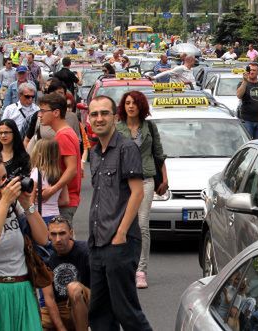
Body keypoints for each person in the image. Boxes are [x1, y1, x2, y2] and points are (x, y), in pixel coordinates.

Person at [87, 95, 152, 330]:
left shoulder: (127, 148)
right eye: (94, 114)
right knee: (99, 314)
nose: (99, 118)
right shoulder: (94, 153)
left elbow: (137, 193)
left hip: (119, 243)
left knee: (126, 312)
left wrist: (121, 233)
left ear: (115, 117)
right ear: (89, 118)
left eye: (104, 113)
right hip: (97, 242)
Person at [0, 147, 48, 331]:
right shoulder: (6, 203)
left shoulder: (13, 204)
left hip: (21, 289)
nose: (4, 184)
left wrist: (27, 206)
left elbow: (43, 238)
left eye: (5, 177)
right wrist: (4, 202)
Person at [116, 91, 168, 289]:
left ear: (141, 106)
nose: (131, 106)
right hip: (123, 182)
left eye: (135, 103)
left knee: (142, 224)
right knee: (123, 223)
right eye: (127, 102)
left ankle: (140, 270)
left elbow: (159, 154)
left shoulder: (150, 127)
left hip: (145, 179)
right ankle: (124, 266)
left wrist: (164, 178)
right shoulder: (117, 128)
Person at [37, 93, 81, 224]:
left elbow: (72, 169)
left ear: (56, 112)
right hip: (65, 199)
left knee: (60, 241)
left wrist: (52, 190)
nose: (40, 115)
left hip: (66, 200)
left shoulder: (63, 136)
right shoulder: (64, 132)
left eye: (43, 111)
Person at [40, 216, 90, 331]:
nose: (58, 239)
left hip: (87, 301)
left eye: (62, 233)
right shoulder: (47, 258)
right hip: (61, 307)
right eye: (53, 234)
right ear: (48, 235)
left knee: (74, 288)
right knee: (31, 319)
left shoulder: (86, 251)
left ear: (71, 233)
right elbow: (49, 298)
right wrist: (61, 328)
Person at [29, 138, 68, 224]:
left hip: (40, 216)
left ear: (39, 154)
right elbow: (65, 200)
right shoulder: (60, 174)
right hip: (55, 215)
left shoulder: (36, 173)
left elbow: (30, 202)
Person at [237, 63, 258, 139]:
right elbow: (239, 95)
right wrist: (245, 81)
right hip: (247, 120)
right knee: (247, 142)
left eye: (254, 70)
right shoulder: (242, 83)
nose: (251, 72)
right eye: (250, 70)